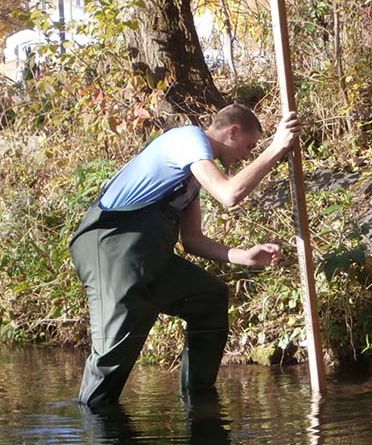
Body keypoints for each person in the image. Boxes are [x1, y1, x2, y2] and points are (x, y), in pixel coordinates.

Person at [69, 104, 301, 408]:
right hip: (110, 248)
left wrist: (243, 256)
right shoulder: (188, 139)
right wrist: (275, 148)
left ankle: (200, 405)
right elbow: (229, 194)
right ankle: (95, 423)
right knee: (112, 358)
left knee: (209, 298)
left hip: (149, 259)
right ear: (232, 131)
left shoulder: (191, 179)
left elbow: (192, 240)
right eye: (248, 146)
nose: (247, 154)